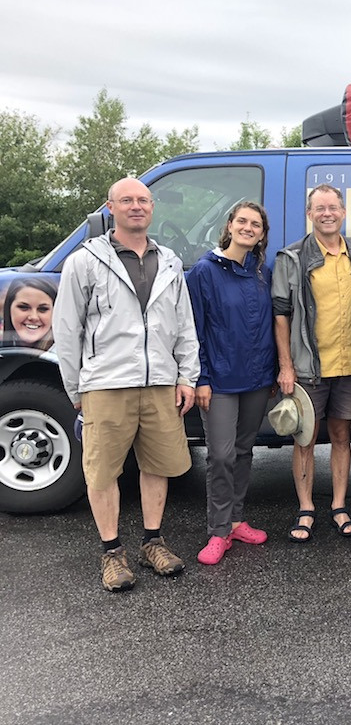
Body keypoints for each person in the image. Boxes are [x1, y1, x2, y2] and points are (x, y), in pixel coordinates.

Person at [51, 177, 199, 592]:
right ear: (109, 208)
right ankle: (112, 554)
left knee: (158, 466)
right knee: (102, 473)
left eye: (143, 200)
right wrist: (77, 391)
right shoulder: (85, 260)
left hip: (159, 383)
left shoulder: (168, 260)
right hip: (105, 384)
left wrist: (187, 375)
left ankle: (153, 542)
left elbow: (183, 326)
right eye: (127, 200)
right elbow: (66, 330)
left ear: (152, 208)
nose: (136, 206)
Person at [272, 184, 351, 543]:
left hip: (349, 365)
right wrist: (286, 365)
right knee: (305, 440)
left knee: (342, 436)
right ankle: (306, 508)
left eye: (333, 207)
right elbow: (281, 314)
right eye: (320, 208)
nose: (327, 213)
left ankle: (340, 506)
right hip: (307, 366)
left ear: (343, 213)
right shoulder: (293, 257)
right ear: (309, 214)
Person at [186, 201, 277, 565]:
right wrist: (202, 379)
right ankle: (218, 531)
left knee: (243, 452)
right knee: (220, 455)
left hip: (257, 379)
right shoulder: (204, 272)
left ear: (261, 234)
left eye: (255, 224)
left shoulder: (262, 272)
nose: (248, 227)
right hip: (219, 381)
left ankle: (237, 521)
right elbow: (194, 330)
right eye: (242, 221)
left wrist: (272, 371)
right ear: (229, 225)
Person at [1, 276, 58, 351]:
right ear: (9, 309)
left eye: (43, 309)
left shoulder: (68, 355)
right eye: (24, 307)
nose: (34, 317)